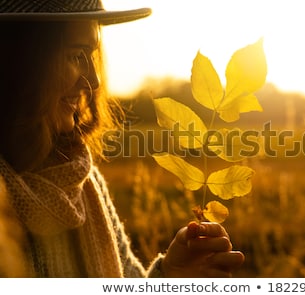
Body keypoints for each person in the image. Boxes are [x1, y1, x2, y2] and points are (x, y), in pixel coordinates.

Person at [0, 0, 245, 278]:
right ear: (20, 60)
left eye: (91, 56)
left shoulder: (81, 181)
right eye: (75, 55)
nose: (93, 81)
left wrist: (171, 275)